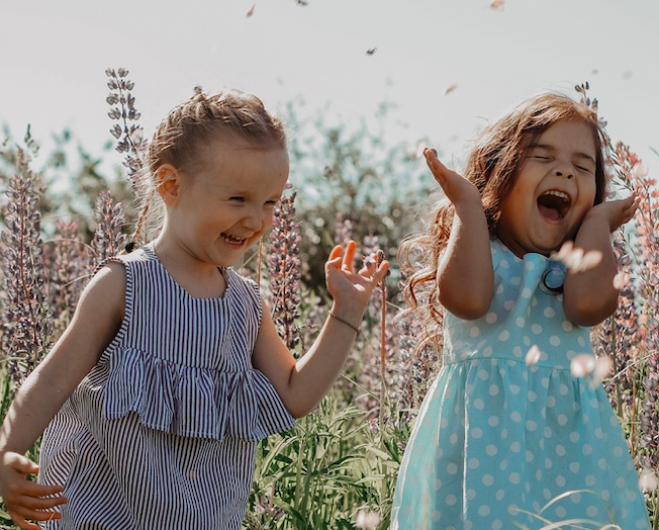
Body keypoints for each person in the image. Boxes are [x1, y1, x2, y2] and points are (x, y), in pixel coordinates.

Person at [0, 88, 389, 530]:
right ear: (171, 185)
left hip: (201, 516)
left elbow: (294, 395)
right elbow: (53, 378)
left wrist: (347, 312)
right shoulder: (125, 284)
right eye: (238, 199)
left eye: (270, 202)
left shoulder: (245, 304)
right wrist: (6, 450)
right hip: (99, 511)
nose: (257, 219)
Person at [391, 93, 649, 529]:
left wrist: (597, 225)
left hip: (571, 460)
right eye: (541, 156)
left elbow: (589, 306)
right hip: (477, 458)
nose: (565, 170)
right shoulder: (482, 254)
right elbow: (468, 300)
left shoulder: (573, 272)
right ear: (499, 174)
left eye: (583, 167)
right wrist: (469, 207)